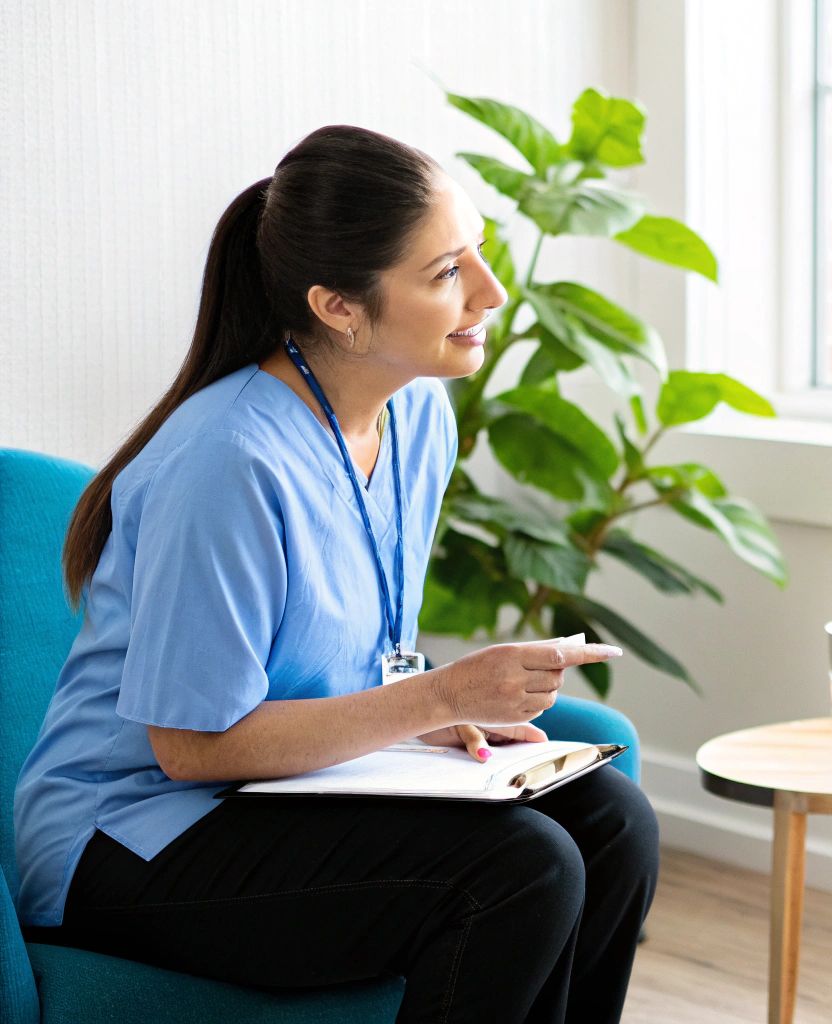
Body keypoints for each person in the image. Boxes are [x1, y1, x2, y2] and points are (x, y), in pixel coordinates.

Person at [13, 124, 660, 1023]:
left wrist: (432, 720)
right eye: (445, 274)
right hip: (135, 835)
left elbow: (356, 650)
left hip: (286, 792)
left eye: (476, 254)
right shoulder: (228, 461)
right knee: (523, 872)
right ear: (339, 307)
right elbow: (192, 748)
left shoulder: (420, 418)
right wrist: (435, 700)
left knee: (615, 826)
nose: (491, 292)